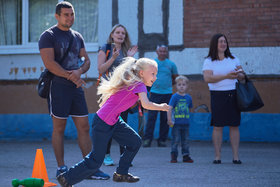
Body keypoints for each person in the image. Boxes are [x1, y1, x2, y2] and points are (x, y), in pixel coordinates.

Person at [56, 57, 170, 186]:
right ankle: (66, 178)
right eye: (153, 74)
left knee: (135, 142)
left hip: (114, 120)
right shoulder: (139, 85)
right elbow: (146, 104)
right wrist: (161, 107)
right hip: (103, 122)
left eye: (156, 74)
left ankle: (121, 173)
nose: (155, 77)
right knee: (95, 160)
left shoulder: (133, 82)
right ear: (141, 73)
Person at [38, 1, 109, 180]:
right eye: (66, 15)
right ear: (57, 16)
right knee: (59, 128)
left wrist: (80, 71)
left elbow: (86, 61)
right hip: (58, 87)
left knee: (84, 127)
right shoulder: (48, 36)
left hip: (75, 87)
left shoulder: (77, 36)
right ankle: (61, 168)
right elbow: (50, 64)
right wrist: (72, 76)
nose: (70, 18)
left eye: (72, 14)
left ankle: (90, 168)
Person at [97, 24, 138, 166]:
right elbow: (100, 69)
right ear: (112, 34)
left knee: (123, 124)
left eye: (123, 33)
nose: (121, 35)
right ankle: (106, 154)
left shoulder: (127, 50)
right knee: (109, 123)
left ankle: (123, 155)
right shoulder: (106, 48)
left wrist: (130, 59)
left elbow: (129, 74)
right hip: (109, 92)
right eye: (118, 32)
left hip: (123, 92)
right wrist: (113, 57)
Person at [202, 33, 245, 164]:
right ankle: (217, 156)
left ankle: (236, 156)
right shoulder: (209, 61)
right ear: (215, 44)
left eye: (225, 41)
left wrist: (239, 75)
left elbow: (243, 76)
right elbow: (207, 78)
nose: (223, 44)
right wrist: (226, 76)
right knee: (217, 126)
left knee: (234, 125)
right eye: (220, 41)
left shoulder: (234, 59)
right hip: (217, 95)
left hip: (233, 94)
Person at [143, 45, 178, 147]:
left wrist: (166, 86)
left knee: (165, 118)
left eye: (164, 51)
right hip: (154, 93)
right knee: (151, 118)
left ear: (166, 52)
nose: (162, 53)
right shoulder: (152, 64)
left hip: (167, 94)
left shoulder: (171, 64)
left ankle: (162, 140)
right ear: (157, 52)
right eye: (160, 51)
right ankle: (147, 139)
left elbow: (175, 78)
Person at [167, 75, 194, 163]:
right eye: (179, 84)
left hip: (186, 123)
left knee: (185, 140)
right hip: (176, 123)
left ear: (187, 86)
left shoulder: (188, 97)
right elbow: (170, 108)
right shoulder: (174, 97)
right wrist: (169, 119)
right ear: (176, 86)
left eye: (183, 84)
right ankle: (174, 156)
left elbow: (190, 108)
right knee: (176, 140)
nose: (181, 86)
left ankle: (186, 156)